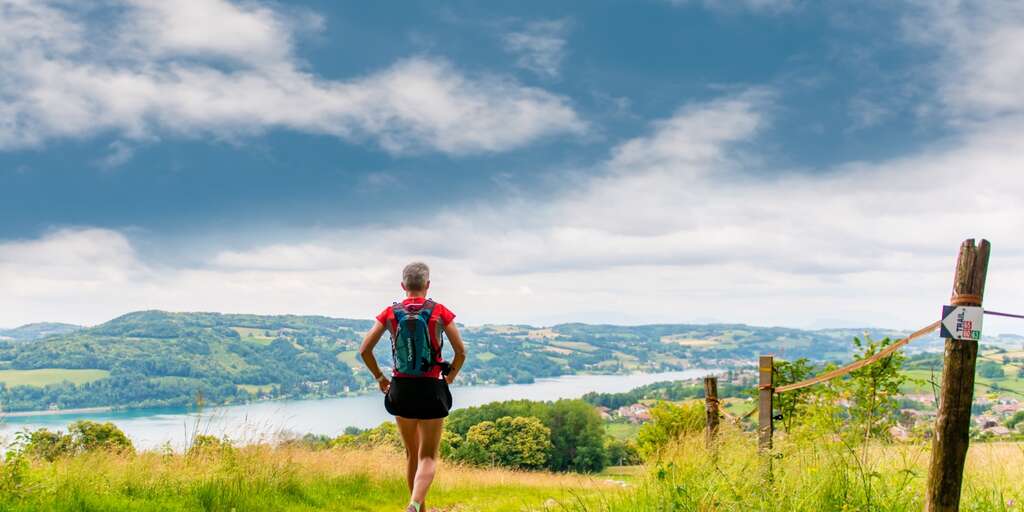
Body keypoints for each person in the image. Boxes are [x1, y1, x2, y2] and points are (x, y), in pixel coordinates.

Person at [359, 262, 466, 512]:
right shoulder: (439, 311)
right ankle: (415, 504)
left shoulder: (390, 313)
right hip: (431, 389)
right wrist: (450, 377)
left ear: (403, 285)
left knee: (411, 454)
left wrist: (380, 378)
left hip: (401, 389)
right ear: (427, 285)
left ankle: (419, 508)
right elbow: (461, 351)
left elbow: (364, 350)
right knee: (427, 456)